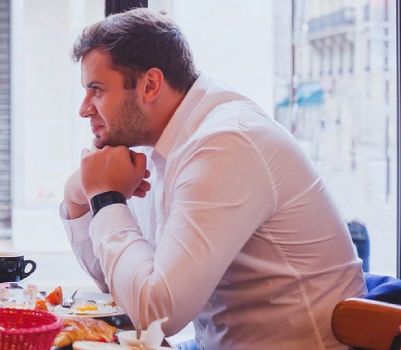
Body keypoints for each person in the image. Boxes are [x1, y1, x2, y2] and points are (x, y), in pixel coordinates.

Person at [61, 8, 365, 349]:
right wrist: (79, 194)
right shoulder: (158, 146)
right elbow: (119, 284)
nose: (84, 108)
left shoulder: (225, 144)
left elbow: (158, 315)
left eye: (97, 90)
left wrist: (105, 196)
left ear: (150, 85)